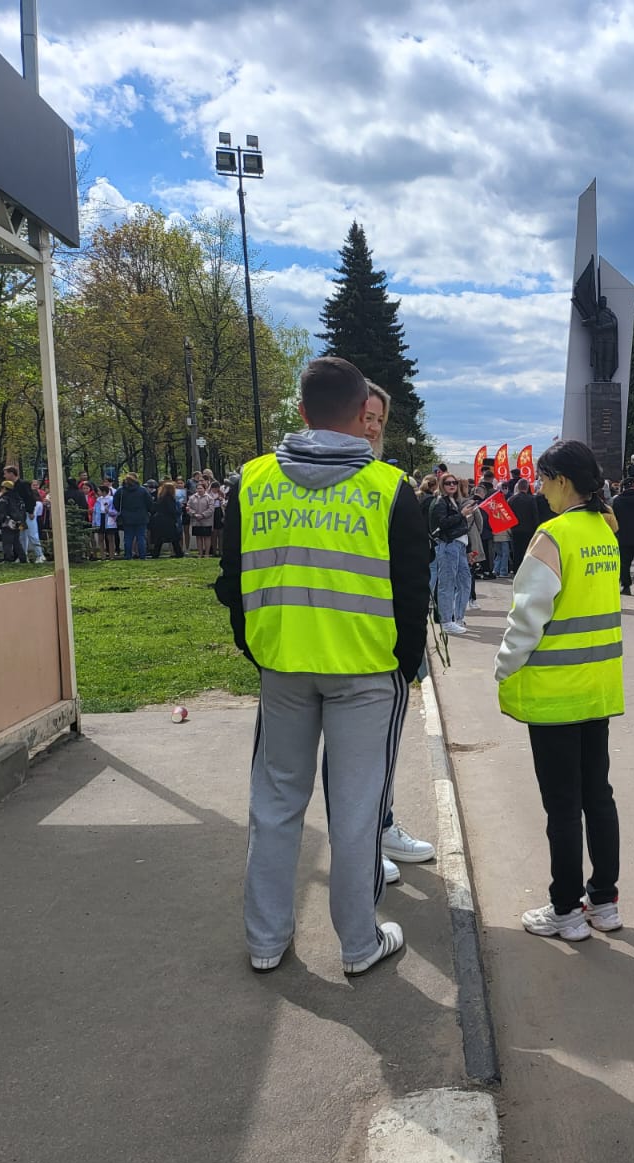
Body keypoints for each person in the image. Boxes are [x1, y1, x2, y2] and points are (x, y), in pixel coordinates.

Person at [214, 356, 429, 977]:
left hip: (283, 667)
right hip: (365, 672)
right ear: (364, 414)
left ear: (302, 411)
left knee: (275, 803)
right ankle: (358, 943)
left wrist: (255, 647)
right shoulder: (389, 488)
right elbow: (411, 590)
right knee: (356, 811)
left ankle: (266, 940)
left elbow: (231, 579)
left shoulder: (252, 481)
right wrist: (404, 666)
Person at [494, 440, 624, 941]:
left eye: (545, 479)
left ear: (563, 481)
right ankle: (604, 901)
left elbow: (528, 616)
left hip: (555, 693)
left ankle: (566, 909)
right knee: (598, 796)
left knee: (563, 806)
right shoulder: (604, 529)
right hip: (598, 685)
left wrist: (504, 665)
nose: (540, 488)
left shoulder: (552, 535)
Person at [429, 474, 478, 633]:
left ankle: (457, 618)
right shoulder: (441, 502)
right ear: (442, 485)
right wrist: (461, 515)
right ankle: (446, 621)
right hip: (449, 544)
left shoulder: (452, 501)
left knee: (464, 581)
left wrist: (468, 550)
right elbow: (441, 524)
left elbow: (461, 527)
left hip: (459, 545)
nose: (452, 485)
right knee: (447, 583)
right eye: (448, 483)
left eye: (454, 483)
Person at [114, 473, 151, 559]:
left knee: (128, 537)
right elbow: (149, 503)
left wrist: (121, 511)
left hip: (126, 517)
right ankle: (142, 555)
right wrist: (147, 511)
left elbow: (115, 503)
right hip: (141, 516)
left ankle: (128, 555)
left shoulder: (121, 491)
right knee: (141, 537)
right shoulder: (143, 490)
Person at [507, 479, 540, 572]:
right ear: (527, 487)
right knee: (527, 550)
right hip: (529, 530)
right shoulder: (532, 499)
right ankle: (526, 570)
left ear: (518, 487)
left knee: (516, 551)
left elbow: (508, 516)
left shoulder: (511, 499)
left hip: (515, 529)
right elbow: (535, 515)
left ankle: (516, 569)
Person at [149, 481, 185, 558]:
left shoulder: (160, 498)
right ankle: (179, 553)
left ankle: (155, 554)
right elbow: (172, 510)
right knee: (174, 538)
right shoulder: (170, 499)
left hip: (159, 520)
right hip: (169, 521)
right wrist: (179, 511)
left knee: (159, 539)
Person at [0, 481, 27, 564]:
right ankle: (22, 558)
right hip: (19, 523)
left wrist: (0, 521)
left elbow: (1, 512)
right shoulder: (19, 498)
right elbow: (23, 512)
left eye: (2, 488)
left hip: (8, 522)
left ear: (4, 488)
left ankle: (8, 559)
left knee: (7, 542)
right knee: (16, 541)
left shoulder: (4, 499)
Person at [186, 479, 218, 557]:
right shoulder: (192, 497)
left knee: (207, 537)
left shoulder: (209, 498)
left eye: (201, 488)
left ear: (204, 489)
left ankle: (206, 553)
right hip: (196, 521)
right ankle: (200, 553)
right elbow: (188, 508)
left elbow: (211, 509)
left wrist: (203, 515)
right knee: (198, 537)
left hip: (206, 521)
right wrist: (194, 514)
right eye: (198, 488)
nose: (199, 490)